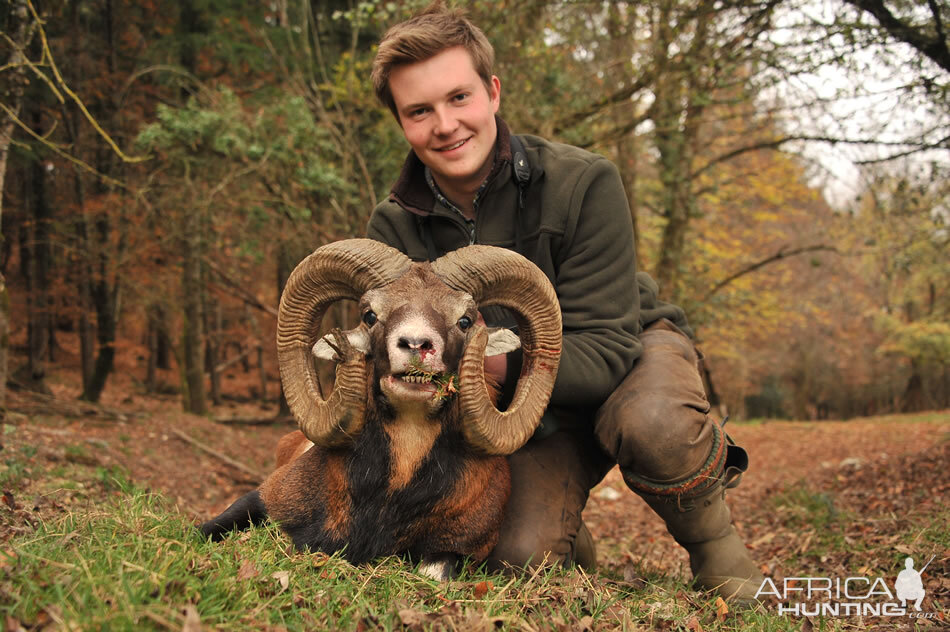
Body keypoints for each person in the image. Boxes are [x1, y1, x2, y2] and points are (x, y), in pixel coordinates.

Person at [366, 1, 763, 603]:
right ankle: (564, 533)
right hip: (516, 408)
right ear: (401, 122)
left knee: (651, 423)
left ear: (493, 92)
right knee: (514, 555)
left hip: (626, 352)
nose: (445, 125)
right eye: (419, 111)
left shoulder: (582, 182)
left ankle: (716, 548)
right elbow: (395, 363)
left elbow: (605, 348)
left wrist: (485, 366)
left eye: (459, 98)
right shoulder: (392, 229)